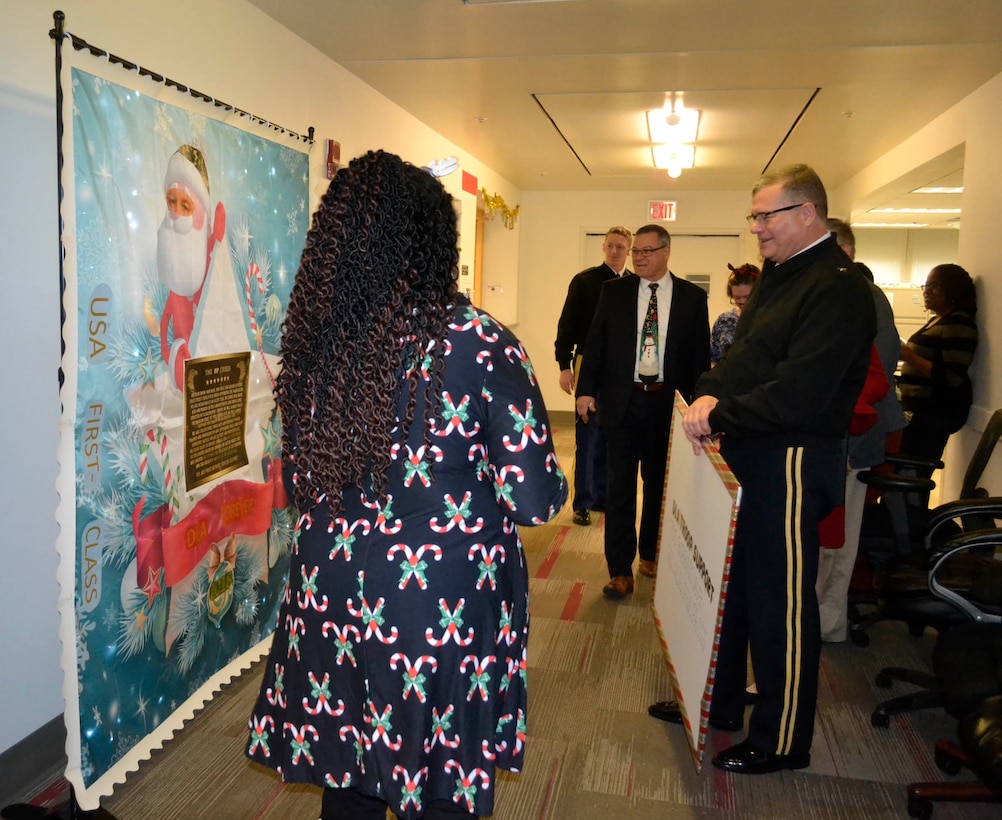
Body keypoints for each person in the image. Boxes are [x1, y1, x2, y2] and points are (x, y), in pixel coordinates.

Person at [245, 150, 568, 820]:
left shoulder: (315, 344)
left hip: (331, 593)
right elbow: (536, 500)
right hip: (436, 608)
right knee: (438, 780)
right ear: (431, 242)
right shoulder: (480, 343)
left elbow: (301, 482)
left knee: (351, 768)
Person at [653, 165, 875, 774]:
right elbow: (744, 357)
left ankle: (782, 740)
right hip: (751, 451)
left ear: (807, 213)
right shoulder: (781, 276)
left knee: (781, 604)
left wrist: (722, 412)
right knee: (737, 590)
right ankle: (720, 705)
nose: (756, 228)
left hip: (794, 461)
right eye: (753, 217)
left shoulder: (840, 286)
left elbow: (801, 391)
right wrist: (706, 393)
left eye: (764, 216)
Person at [575, 224, 710, 599]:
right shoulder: (613, 292)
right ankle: (620, 569)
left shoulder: (691, 298)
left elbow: (700, 357)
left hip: (667, 404)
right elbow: (596, 342)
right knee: (619, 487)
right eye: (636, 251)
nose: (639, 257)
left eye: (648, 251)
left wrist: (699, 403)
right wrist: (585, 390)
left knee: (658, 484)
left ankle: (650, 553)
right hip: (623, 401)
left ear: (667, 252)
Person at [816, 218, 907, 642]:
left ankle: (827, 623)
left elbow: (876, 375)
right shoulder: (831, 293)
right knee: (824, 535)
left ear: (845, 251)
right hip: (827, 437)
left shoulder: (867, 298)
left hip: (854, 436)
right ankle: (818, 618)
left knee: (838, 537)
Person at [554, 227, 633, 526]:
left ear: (628, 250)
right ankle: (583, 502)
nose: (615, 251)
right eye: (610, 246)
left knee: (612, 435)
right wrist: (564, 365)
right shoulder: (585, 281)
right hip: (588, 365)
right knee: (587, 435)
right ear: (603, 247)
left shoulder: (635, 284)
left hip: (622, 370)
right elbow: (567, 325)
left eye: (620, 247)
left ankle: (603, 496)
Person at [898, 263, 978, 462]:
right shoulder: (938, 320)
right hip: (919, 413)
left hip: (933, 414)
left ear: (953, 291)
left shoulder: (958, 323)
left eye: (935, 286)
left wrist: (910, 357)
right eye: (925, 286)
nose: (927, 292)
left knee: (913, 472)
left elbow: (951, 377)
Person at [710, 263, 760, 364]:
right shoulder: (724, 320)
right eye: (737, 298)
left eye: (747, 297)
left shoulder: (768, 318)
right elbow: (714, 357)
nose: (742, 302)